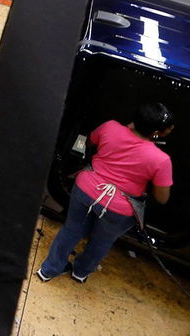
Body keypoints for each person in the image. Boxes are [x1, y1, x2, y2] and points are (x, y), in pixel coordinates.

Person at [37, 102, 174, 283]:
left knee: (72, 228)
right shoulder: (161, 160)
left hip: (84, 189)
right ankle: (81, 272)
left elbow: (90, 142)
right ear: (157, 133)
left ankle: (49, 269)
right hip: (119, 208)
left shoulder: (110, 126)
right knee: (101, 241)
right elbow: (162, 198)